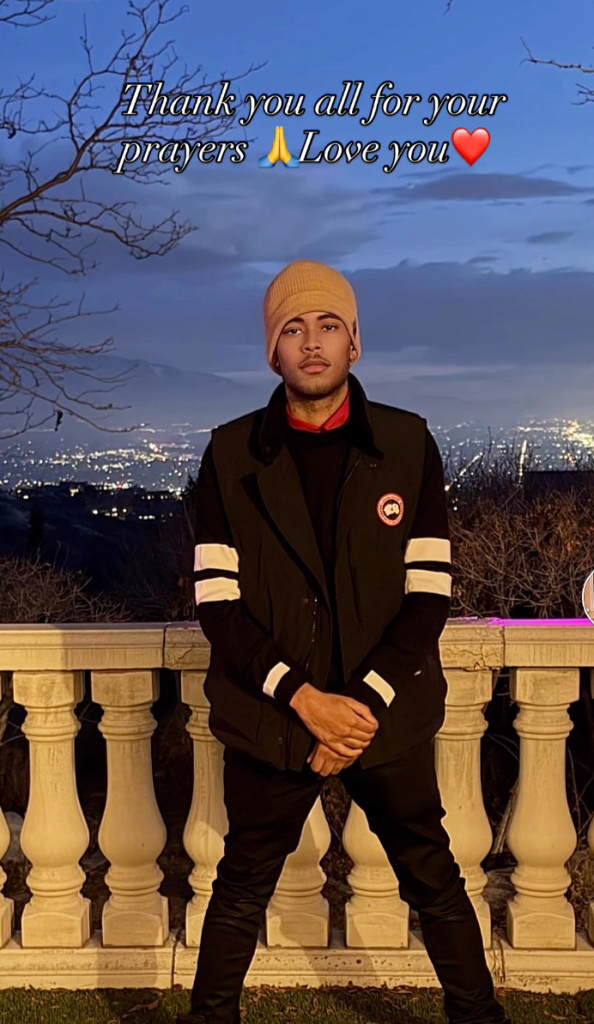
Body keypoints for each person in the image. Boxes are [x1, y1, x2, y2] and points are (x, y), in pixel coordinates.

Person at [177, 260, 511, 1024]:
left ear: (355, 341)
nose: (312, 342)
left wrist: (358, 706)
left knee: (431, 874)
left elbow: (430, 592)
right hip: (274, 716)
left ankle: (479, 1015)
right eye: (292, 328)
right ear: (273, 351)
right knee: (242, 884)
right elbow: (216, 603)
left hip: (381, 714)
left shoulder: (407, 442)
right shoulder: (230, 455)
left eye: (329, 325)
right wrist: (304, 700)